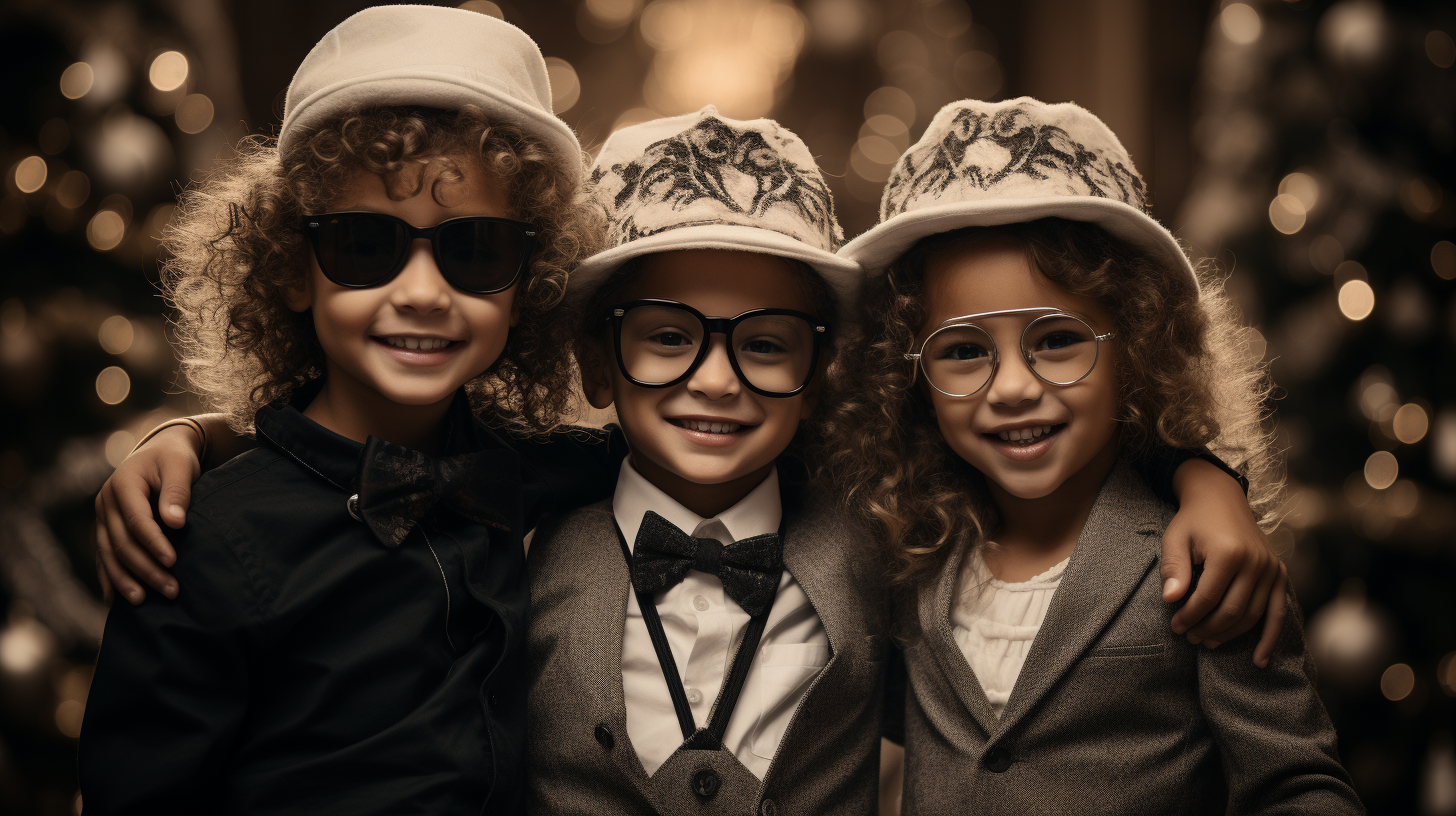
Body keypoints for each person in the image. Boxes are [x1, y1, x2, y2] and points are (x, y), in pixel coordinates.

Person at [78, 7, 620, 813]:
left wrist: (197, 430)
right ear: (292, 269)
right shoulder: (202, 541)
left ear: (528, 285)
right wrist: (195, 437)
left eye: (475, 250)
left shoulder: (539, 469)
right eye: (367, 244)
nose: (424, 294)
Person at [824, 97, 1363, 813]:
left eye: (1056, 340)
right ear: (908, 378)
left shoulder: (1205, 564)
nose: (1013, 388)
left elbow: (1297, 784)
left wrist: (1202, 478)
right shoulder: (908, 552)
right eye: (962, 351)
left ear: (1136, 349)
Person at [522, 106, 888, 814]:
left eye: (765, 344)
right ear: (598, 365)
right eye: (667, 336)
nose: (717, 381)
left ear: (816, 377)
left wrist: (1175, 468)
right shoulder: (520, 548)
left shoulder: (878, 550)